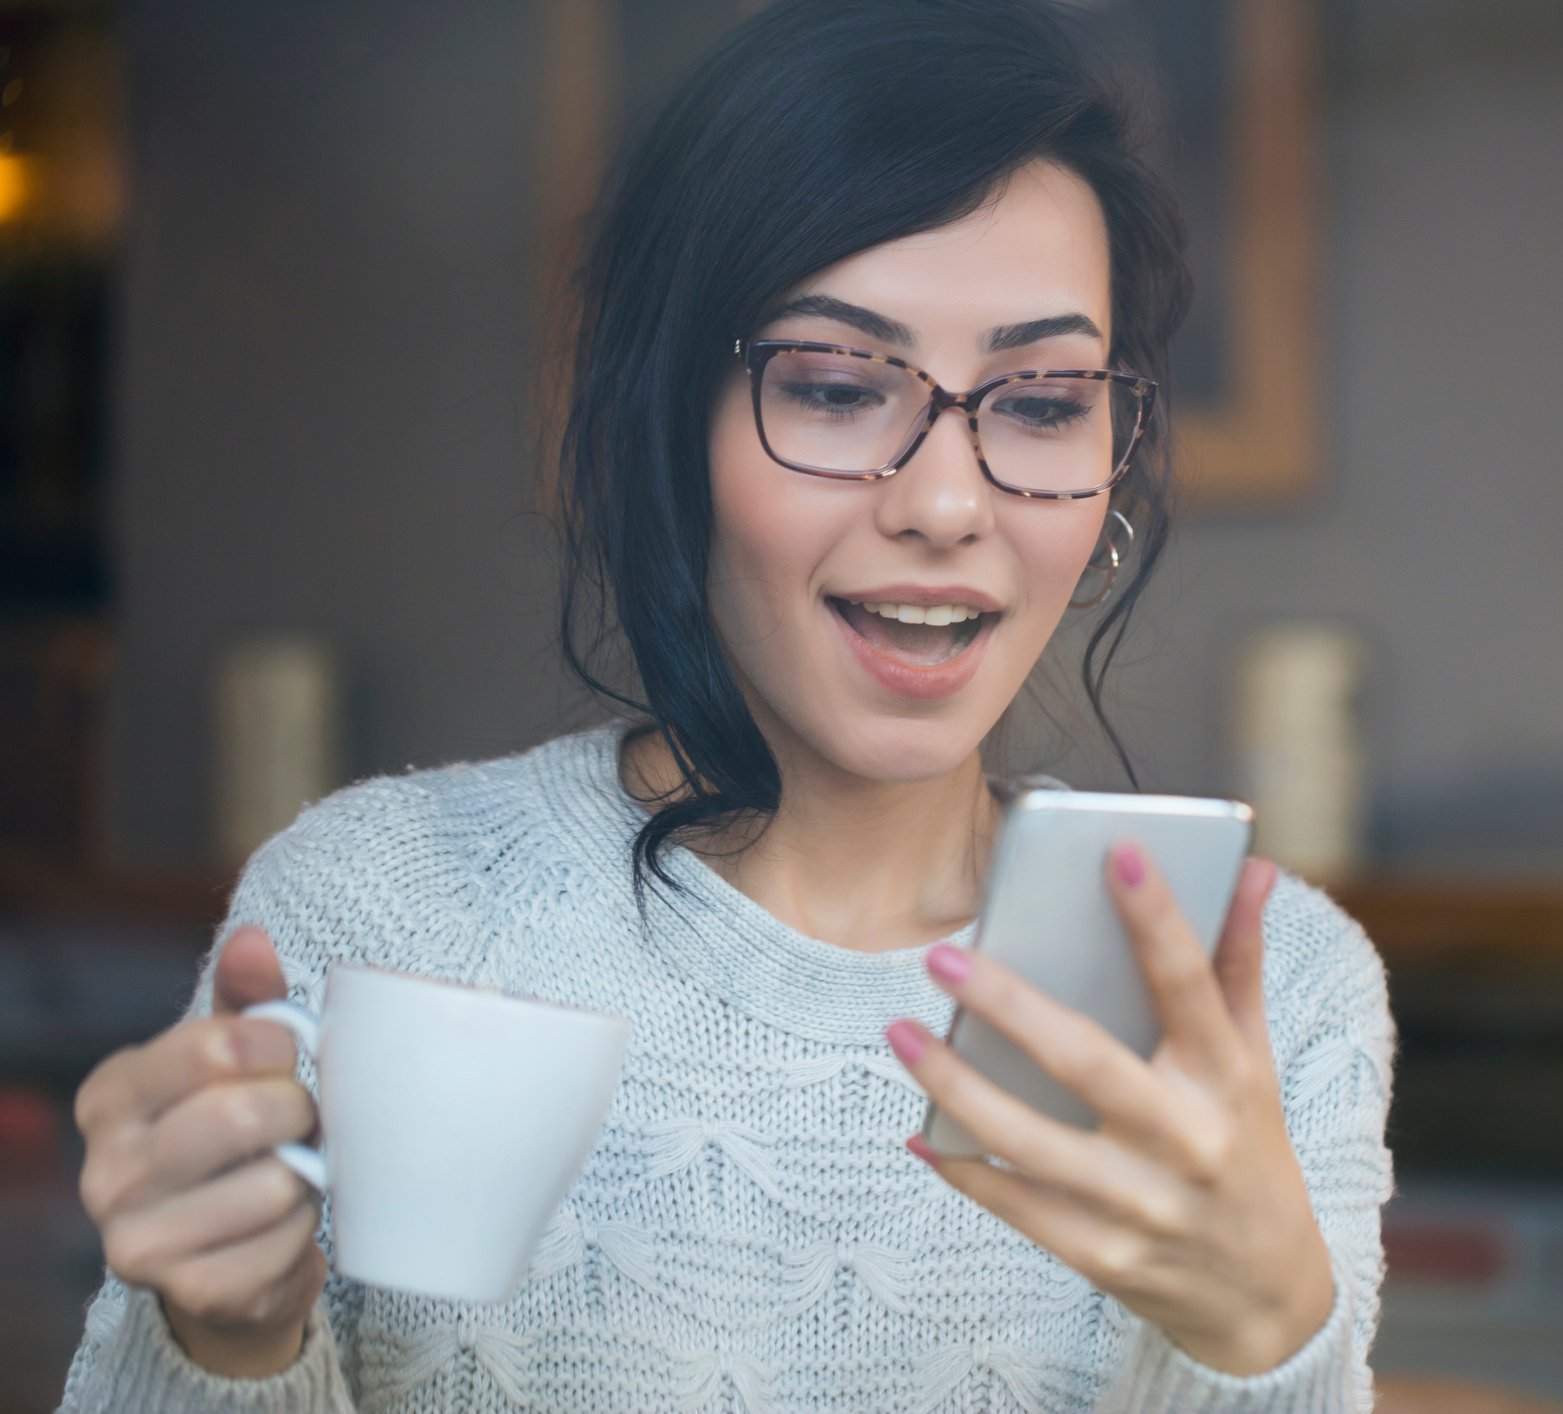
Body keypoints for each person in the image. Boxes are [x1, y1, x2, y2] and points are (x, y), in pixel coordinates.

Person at [57, 0, 1398, 1408]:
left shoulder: (1275, 1000)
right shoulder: (378, 910)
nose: (947, 504)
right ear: (668, 423)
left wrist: (1264, 1340)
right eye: (835, 387)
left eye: (1043, 401)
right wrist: (225, 1341)